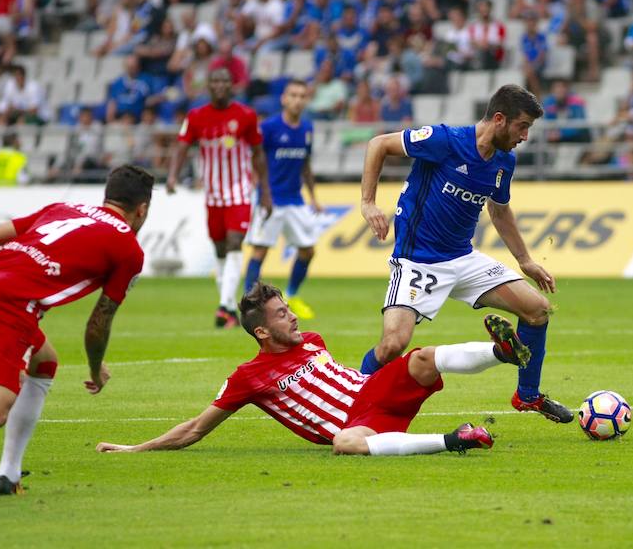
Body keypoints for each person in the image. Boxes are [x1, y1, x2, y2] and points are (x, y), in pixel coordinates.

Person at [95, 283, 528, 456]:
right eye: (283, 315)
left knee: (422, 356)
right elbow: (195, 429)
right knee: (344, 443)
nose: (294, 318)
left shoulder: (313, 341)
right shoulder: (248, 377)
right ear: (262, 331)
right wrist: (134, 450)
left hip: (374, 392)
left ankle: (503, 353)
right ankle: (457, 440)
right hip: (361, 425)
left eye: (290, 310)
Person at [358, 84, 573, 424]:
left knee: (537, 310)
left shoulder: (504, 162)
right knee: (392, 345)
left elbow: (500, 212)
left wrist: (525, 260)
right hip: (418, 260)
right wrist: (368, 202)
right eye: (522, 127)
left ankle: (527, 396)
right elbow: (378, 144)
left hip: (463, 258)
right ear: (499, 119)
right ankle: (350, 399)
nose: (525, 137)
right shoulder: (444, 140)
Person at [0, 165, 154, 495]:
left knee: (44, 362)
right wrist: (95, 370)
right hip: (11, 307)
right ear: (142, 209)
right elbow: (97, 324)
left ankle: (9, 474)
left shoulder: (62, 208)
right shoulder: (128, 249)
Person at [167, 68, 272, 329]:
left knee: (235, 242)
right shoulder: (196, 117)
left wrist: (266, 192)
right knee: (220, 249)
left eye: (225, 80)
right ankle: (226, 304)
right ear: (209, 86)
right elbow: (182, 146)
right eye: (215, 81)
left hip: (239, 191)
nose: (220, 85)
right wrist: (172, 176)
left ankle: (225, 306)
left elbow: (258, 153)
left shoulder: (245, 115)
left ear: (232, 85)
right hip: (212, 195)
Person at [243, 80, 320, 319]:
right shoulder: (269, 128)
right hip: (271, 200)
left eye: (302, 96)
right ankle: (249, 307)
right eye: (293, 95)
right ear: (284, 99)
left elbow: (305, 164)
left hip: (295, 200)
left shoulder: (307, 128)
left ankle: (291, 295)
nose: (297, 100)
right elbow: (256, 158)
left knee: (308, 251)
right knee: (260, 252)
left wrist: (314, 197)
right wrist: (261, 192)